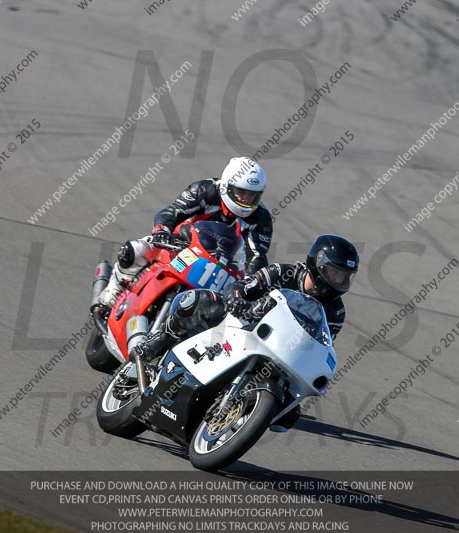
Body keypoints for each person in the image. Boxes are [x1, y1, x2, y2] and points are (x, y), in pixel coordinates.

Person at [131, 234, 360, 430]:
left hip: (277, 348)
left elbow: (320, 342)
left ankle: (235, 419)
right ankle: (157, 342)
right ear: (317, 264)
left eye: (344, 276)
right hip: (241, 321)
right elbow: (244, 286)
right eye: (334, 273)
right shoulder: (285, 272)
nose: (338, 281)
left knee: (289, 415)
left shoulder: (336, 312)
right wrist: (240, 301)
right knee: (197, 301)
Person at [96, 156, 272, 310]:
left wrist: (249, 282)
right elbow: (172, 212)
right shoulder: (204, 190)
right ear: (227, 186)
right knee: (135, 250)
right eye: (241, 192)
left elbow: (257, 256)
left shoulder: (261, 218)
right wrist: (161, 230)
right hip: (181, 245)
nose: (245, 199)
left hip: (223, 266)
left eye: (252, 195)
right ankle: (114, 287)